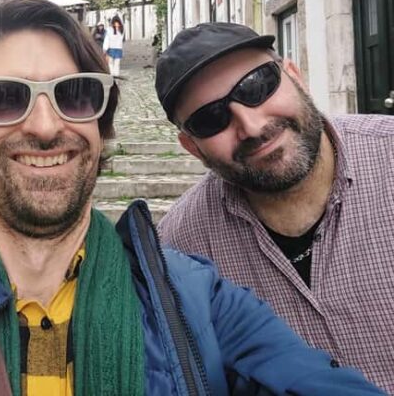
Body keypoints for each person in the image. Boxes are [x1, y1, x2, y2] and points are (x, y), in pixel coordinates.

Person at [0, 0, 382, 395]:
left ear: (101, 131)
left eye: (75, 95)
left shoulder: (192, 297)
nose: (46, 126)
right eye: (4, 98)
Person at [153, 21, 394, 393]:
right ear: (193, 148)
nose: (250, 126)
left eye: (257, 86)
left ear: (295, 76)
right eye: (210, 119)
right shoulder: (181, 247)